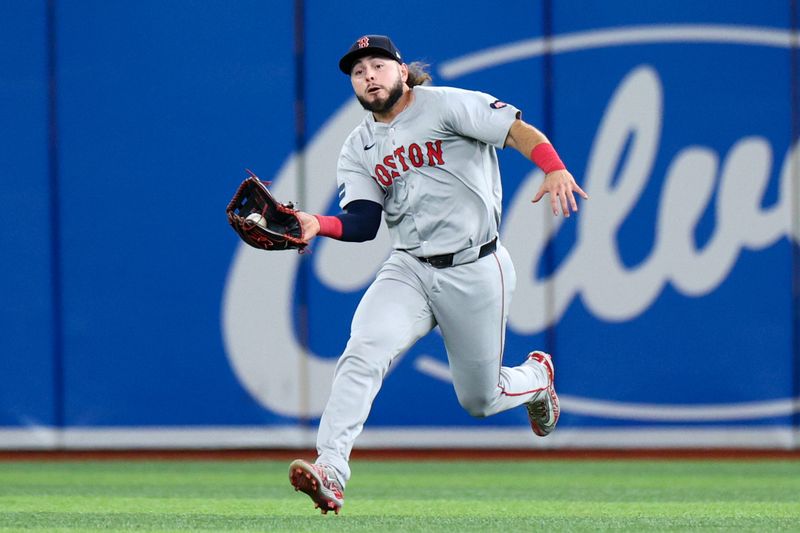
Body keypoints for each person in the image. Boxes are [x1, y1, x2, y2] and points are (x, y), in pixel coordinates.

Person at [288, 34, 588, 515]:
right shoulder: (358, 146)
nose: (369, 75)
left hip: (475, 266)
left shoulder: (445, 106)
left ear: (402, 71)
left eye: (378, 65)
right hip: (407, 266)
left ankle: (536, 377)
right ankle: (331, 469)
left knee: (480, 400)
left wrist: (553, 168)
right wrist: (317, 225)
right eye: (358, 70)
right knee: (363, 351)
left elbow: (516, 130)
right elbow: (364, 222)